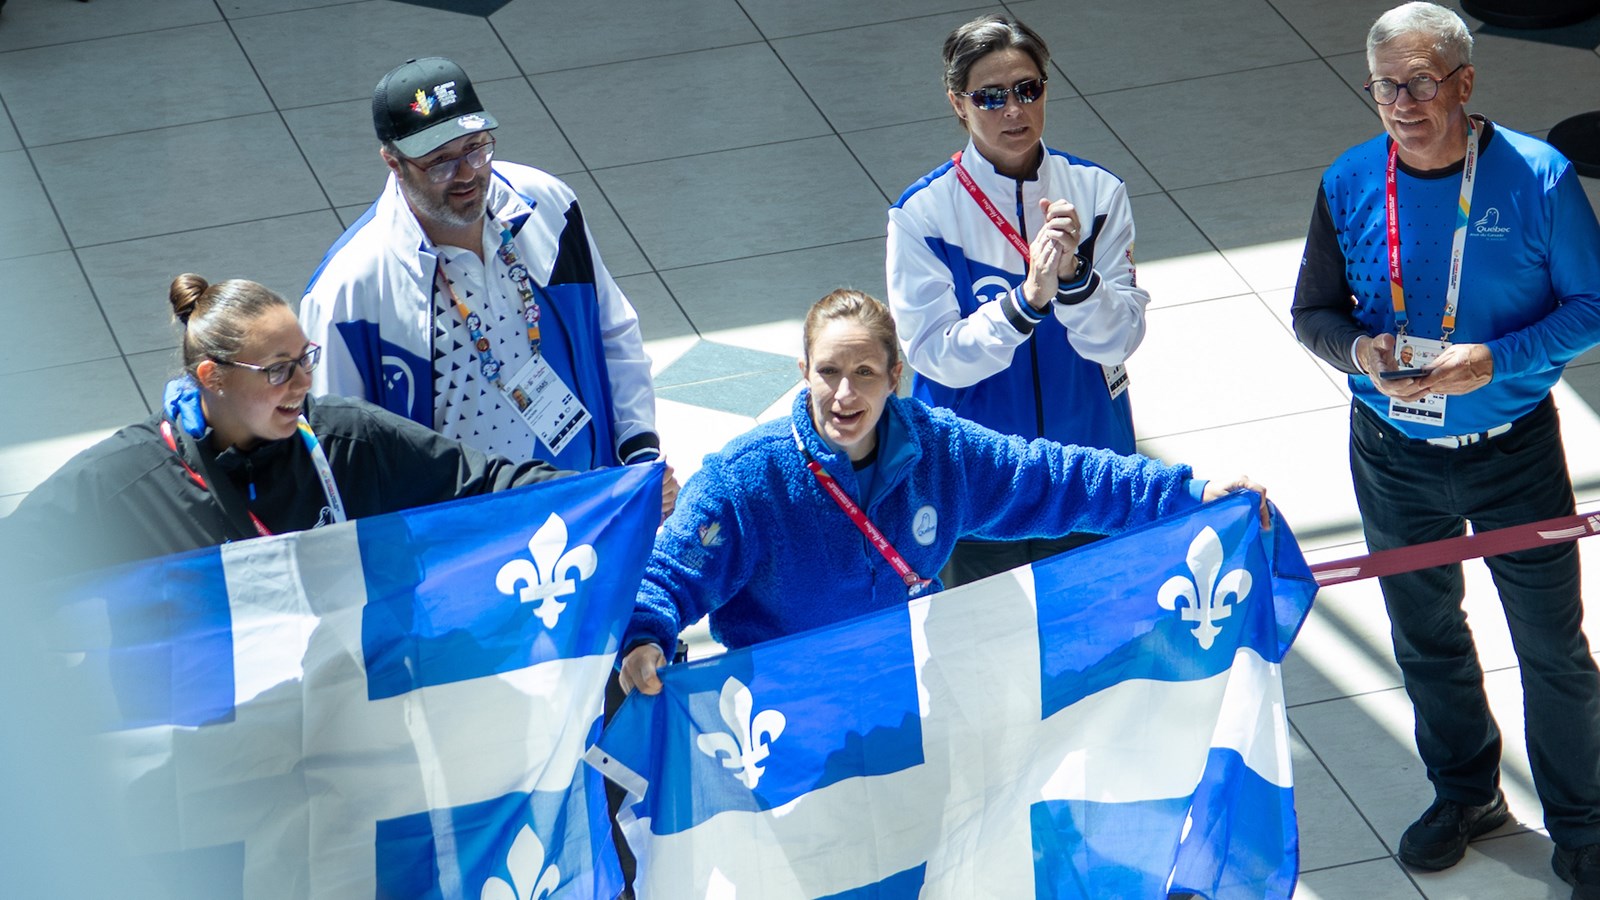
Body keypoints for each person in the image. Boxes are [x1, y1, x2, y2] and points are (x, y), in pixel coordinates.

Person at [1291, 4, 1600, 894]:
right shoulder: (1350, 180)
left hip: (1513, 451)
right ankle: (1467, 796)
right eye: (1384, 84)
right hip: (1392, 451)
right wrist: (1361, 355)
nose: (1401, 102)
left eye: (1421, 82)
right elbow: (1314, 312)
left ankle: (1582, 823)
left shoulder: (1539, 177)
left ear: (1465, 83)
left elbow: (1592, 304)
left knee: (1551, 645)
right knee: (1424, 634)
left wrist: (1493, 359)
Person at [618, 290, 1264, 694]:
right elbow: (669, 575)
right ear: (803, 374)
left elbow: (1054, 477)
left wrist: (1193, 492)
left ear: (896, 376)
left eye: (865, 373)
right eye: (829, 373)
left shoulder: (938, 452)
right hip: (782, 707)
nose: (845, 395)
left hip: (902, 694)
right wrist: (644, 638)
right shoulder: (748, 479)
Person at [299, 57, 676, 517]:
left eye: (476, 148)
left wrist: (637, 453)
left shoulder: (549, 206)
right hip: (460, 549)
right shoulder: (348, 288)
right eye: (439, 162)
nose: (466, 174)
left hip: (586, 507)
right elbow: (339, 448)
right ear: (393, 162)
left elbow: (614, 331)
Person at [3, 274, 571, 577]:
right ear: (212, 376)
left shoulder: (349, 440)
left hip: (344, 716)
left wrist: (620, 493)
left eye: (306, 359)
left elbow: (488, 482)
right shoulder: (128, 479)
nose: (302, 383)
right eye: (278, 370)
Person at [886, 13, 1150, 588]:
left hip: (1089, 466)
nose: (1014, 110)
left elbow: (1119, 338)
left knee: (1096, 658)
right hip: (974, 484)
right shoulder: (923, 214)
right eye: (991, 97)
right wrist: (1026, 302)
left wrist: (1076, 278)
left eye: (1028, 90)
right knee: (981, 665)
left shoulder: (1099, 192)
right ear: (958, 103)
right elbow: (935, 355)